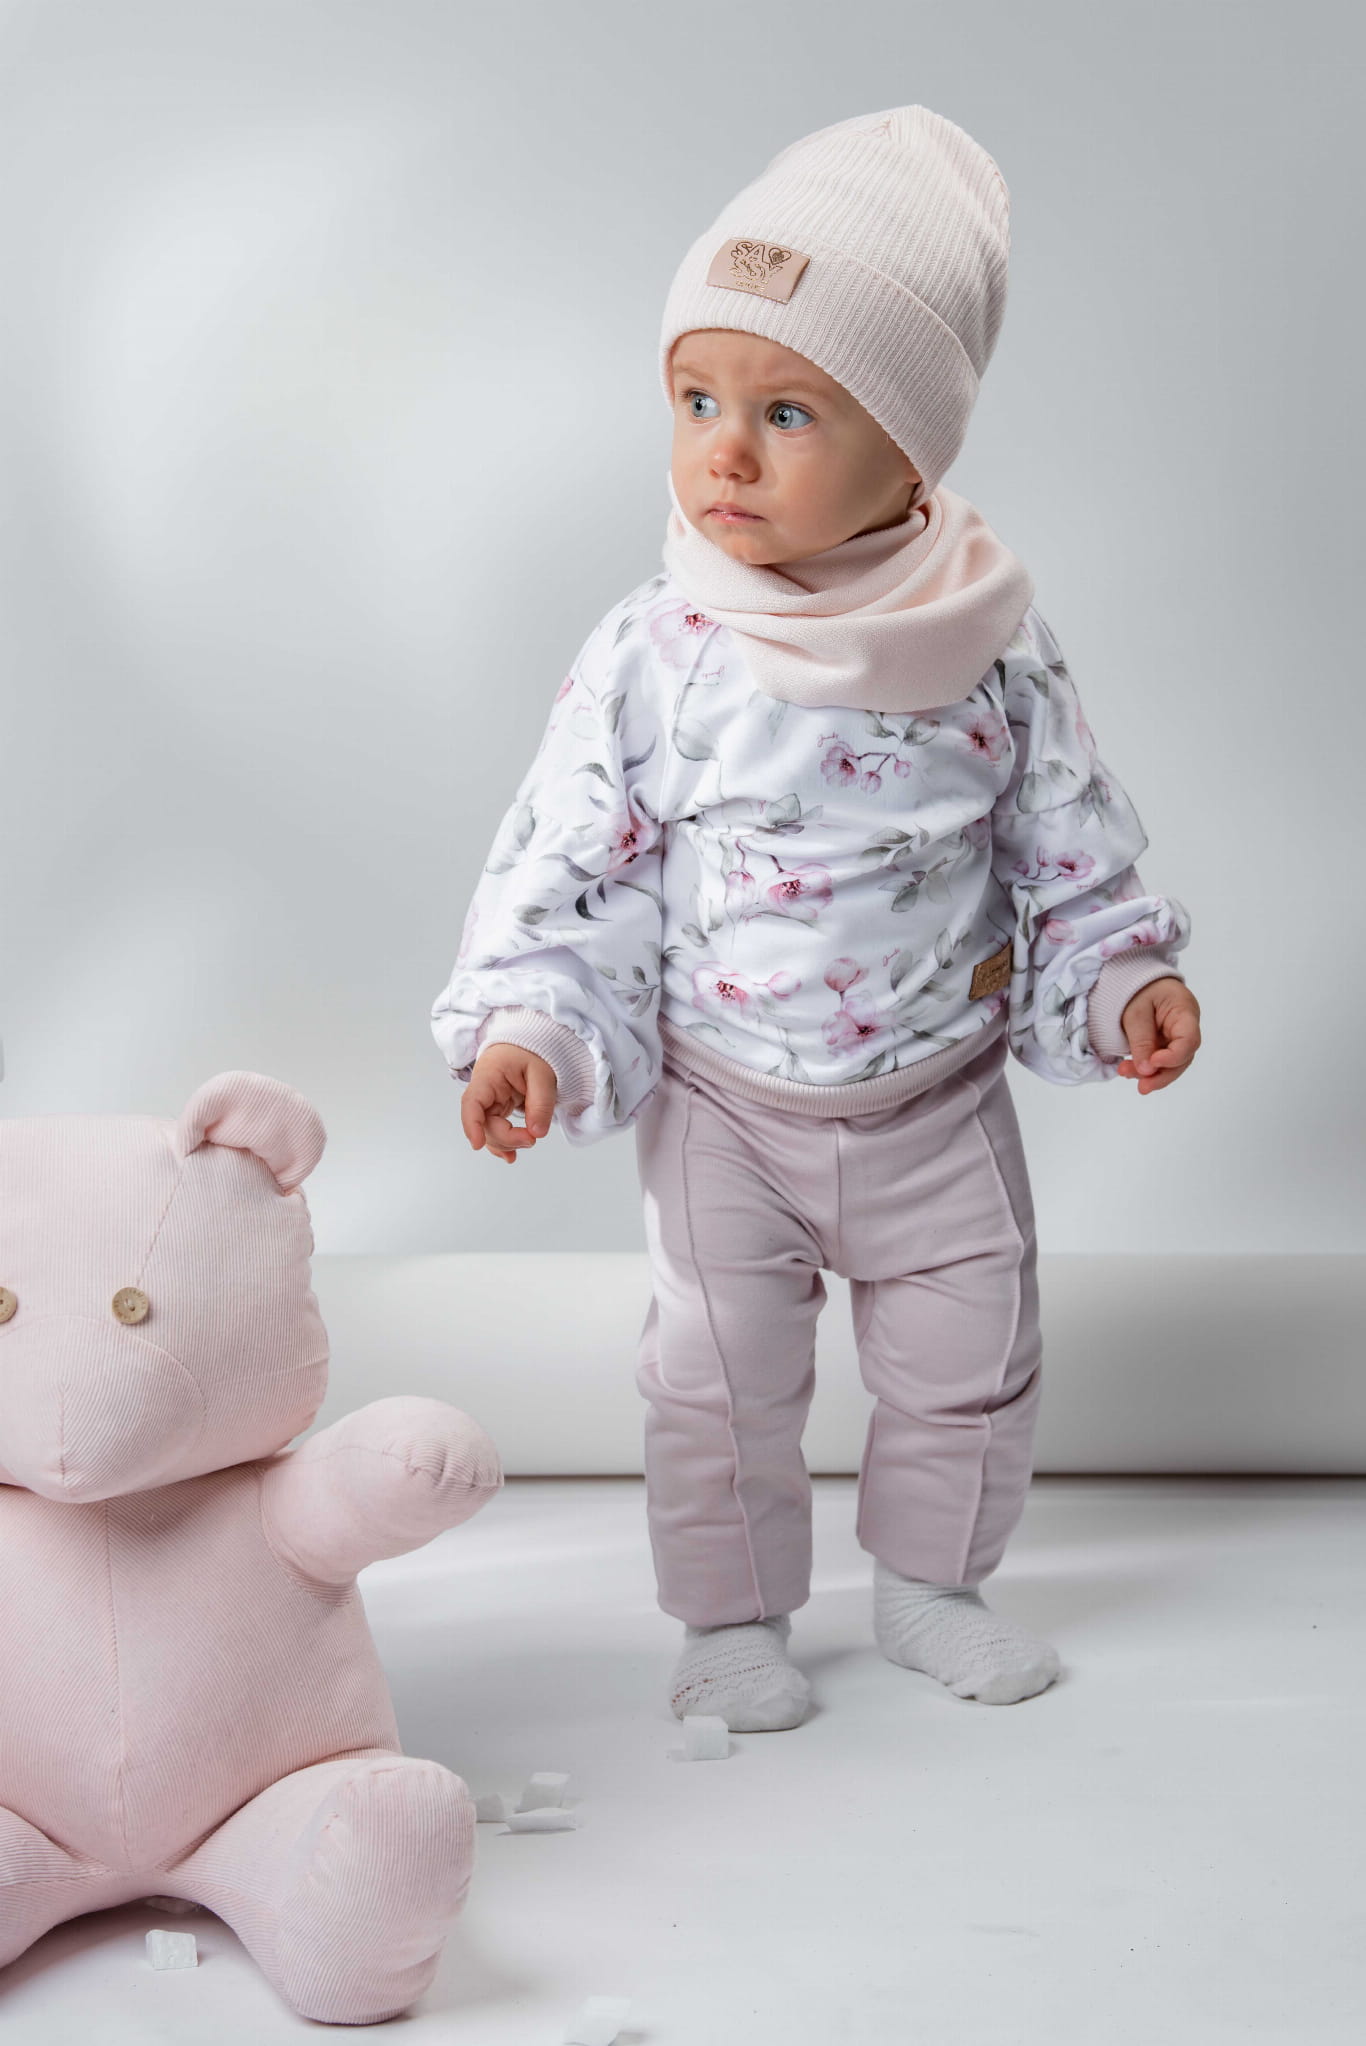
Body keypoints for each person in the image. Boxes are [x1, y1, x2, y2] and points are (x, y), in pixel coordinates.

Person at [431, 105, 1201, 1732]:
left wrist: (1119, 972)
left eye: (785, 411)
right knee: (712, 1381)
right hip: (728, 1106)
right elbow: (579, 859)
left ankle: (930, 1588)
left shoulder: (988, 640)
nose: (723, 451)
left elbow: (1063, 835)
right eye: (696, 400)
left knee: (970, 1360)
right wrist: (533, 1026)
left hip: (937, 1102)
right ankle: (731, 1621)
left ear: (912, 453)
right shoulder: (658, 651)